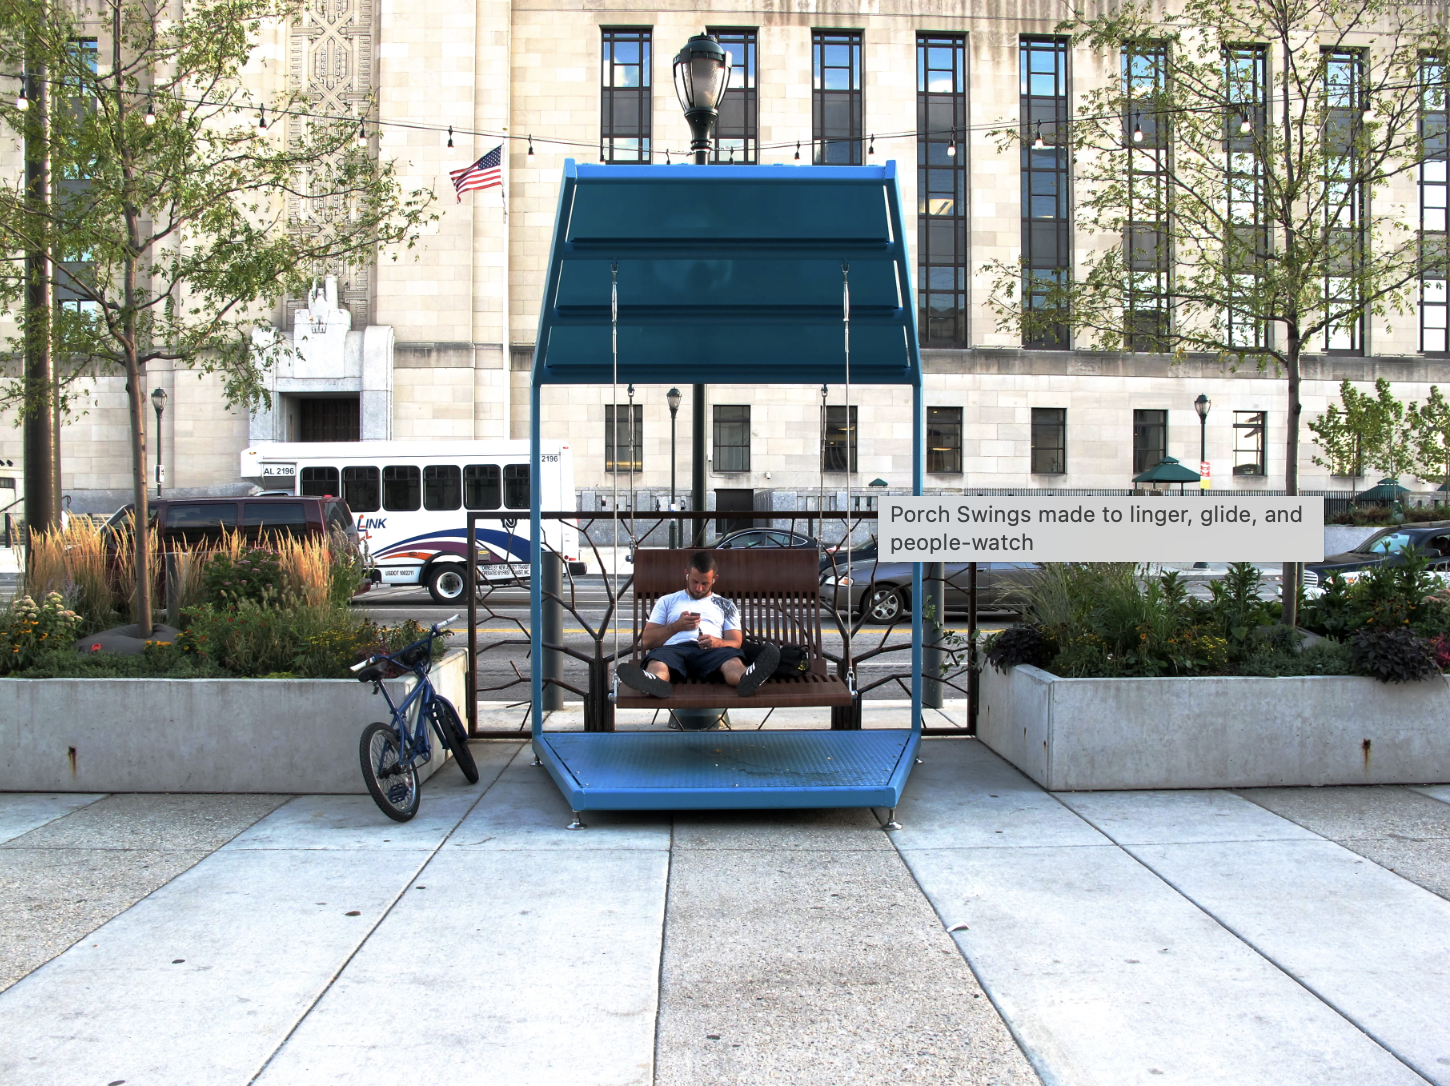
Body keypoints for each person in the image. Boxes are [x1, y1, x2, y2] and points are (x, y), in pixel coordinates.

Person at [616, 550, 779, 698]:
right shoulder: (668, 601)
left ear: (715, 579)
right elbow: (647, 641)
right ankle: (652, 683)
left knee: (732, 662)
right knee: (658, 663)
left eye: (705, 583)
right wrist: (676, 626)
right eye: (695, 582)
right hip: (674, 649)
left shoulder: (725, 605)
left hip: (713, 651)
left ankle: (747, 679)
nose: (699, 588)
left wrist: (717, 642)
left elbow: (736, 642)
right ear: (686, 574)